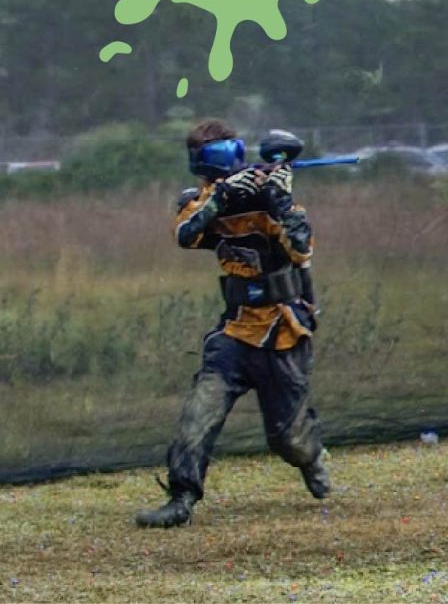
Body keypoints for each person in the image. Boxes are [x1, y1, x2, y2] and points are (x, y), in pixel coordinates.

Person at [135, 119, 330, 528]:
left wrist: (277, 198)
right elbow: (185, 234)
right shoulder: (203, 201)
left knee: (288, 440)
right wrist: (220, 198)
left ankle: (311, 457)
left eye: (229, 155)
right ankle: (181, 497)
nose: (223, 167)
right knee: (198, 414)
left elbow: (301, 249)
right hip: (236, 332)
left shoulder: (269, 198)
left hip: (283, 331)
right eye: (212, 159)